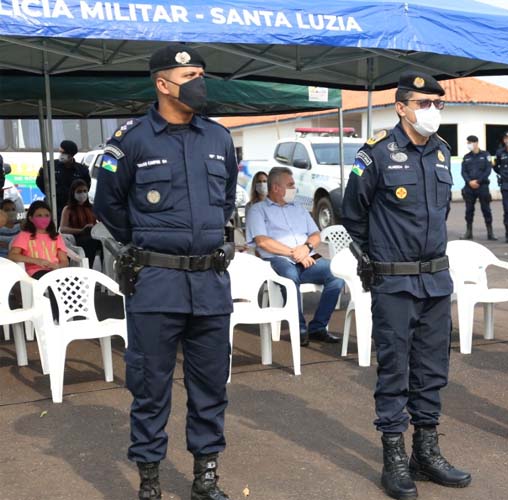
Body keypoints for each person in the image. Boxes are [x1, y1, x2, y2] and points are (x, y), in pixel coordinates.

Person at [93, 44, 238, 500]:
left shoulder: (217, 138)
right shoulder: (131, 139)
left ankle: (205, 478)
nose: (200, 81)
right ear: (163, 83)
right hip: (156, 283)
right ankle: (151, 482)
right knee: (150, 388)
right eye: (191, 73)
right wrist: (151, 241)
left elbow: (228, 199)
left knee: (211, 387)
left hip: (211, 283)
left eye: (202, 73)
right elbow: (108, 206)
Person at [342, 71, 471, 500]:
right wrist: (373, 261)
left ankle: (426, 451)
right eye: (424, 103)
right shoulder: (376, 153)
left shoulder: (441, 152)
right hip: (394, 283)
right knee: (395, 371)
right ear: (401, 107)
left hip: (435, 280)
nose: (432, 111)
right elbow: (353, 215)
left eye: (438, 104)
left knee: (433, 371)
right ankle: (394, 456)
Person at [246, 166, 343, 346]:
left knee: (337, 275)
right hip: (278, 260)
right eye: (290, 185)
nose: (294, 188)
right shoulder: (258, 210)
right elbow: (263, 242)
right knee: (290, 278)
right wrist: (295, 253)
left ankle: (318, 327)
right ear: (276, 188)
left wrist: (305, 248)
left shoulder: (298, 208)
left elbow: (315, 235)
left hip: (306, 257)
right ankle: (299, 329)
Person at [7, 201, 69, 278]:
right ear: (31, 218)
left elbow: (64, 261)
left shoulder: (56, 236)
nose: (44, 218)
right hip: (35, 273)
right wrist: (37, 261)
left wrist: (58, 266)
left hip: (56, 272)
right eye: (39, 215)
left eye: (47, 215)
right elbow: (12, 255)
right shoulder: (24, 235)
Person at [36, 139, 90, 221]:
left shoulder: (82, 170)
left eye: (63, 153)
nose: (61, 155)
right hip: (54, 205)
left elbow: (86, 187)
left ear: (71, 155)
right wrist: (51, 194)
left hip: (73, 208)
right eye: (60, 152)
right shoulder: (50, 166)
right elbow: (40, 182)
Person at [460, 135, 496, 241]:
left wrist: (478, 181)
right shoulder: (466, 157)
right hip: (469, 188)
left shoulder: (485, 155)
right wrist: (469, 181)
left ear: (476, 143)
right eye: (468, 143)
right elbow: (463, 171)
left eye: (470, 143)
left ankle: (490, 233)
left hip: (482, 186)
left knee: (486, 210)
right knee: (469, 210)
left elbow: (488, 170)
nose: (468, 145)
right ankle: (468, 232)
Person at [60, 179, 101, 268]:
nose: (82, 194)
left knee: (107, 243)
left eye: (85, 191)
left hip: (93, 236)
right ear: (73, 193)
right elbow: (63, 228)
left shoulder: (91, 207)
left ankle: (106, 270)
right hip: (76, 238)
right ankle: (87, 268)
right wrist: (81, 230)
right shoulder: (68, 209)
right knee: (90, 242)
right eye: (79, 191)